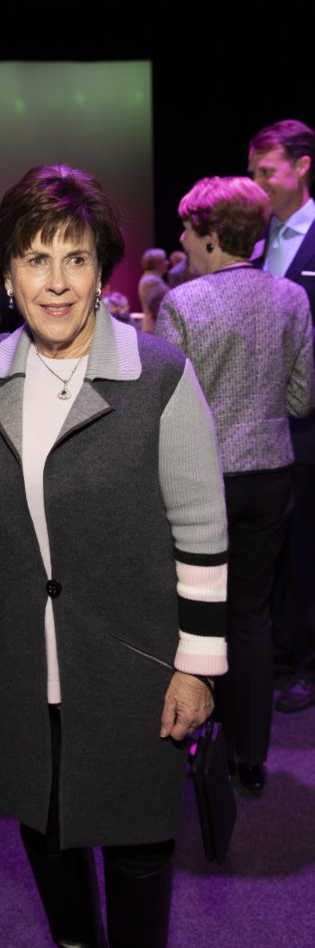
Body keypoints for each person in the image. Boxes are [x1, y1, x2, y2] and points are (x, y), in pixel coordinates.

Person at [0, 165, 228, 948]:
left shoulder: (157, 376)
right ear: (9, 275)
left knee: (138, 846)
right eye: (35, 259)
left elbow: (202, 527)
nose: (55, 283)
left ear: (100, 270)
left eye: (76, 258)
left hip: (132, 666)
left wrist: (196, 663)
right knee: (46, 831)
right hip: (21, 666)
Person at [156, 176, 314, 792]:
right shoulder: (291, 299)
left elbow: (164, 411)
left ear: (213, 235)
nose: (180, 240)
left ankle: (196, 748)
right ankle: (251, 762)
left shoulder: (182, 304)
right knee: (252, 616)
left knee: (198, 617)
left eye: (187, 229)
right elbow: (302, 399)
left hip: (204, 483)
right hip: (272, 476)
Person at [248, 119, 315, 712]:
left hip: (311, 424)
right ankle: (289, 655)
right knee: (287, 553)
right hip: (272, 429)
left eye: (266, 172)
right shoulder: (257, 239)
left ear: (302, 167)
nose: (258, 184)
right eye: (253, 174)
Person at [137, 246, 169, 312]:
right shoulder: (151, 281)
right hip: (155, 321)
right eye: (164, 259)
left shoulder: (152, 278)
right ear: (156, 263)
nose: (167, 262)